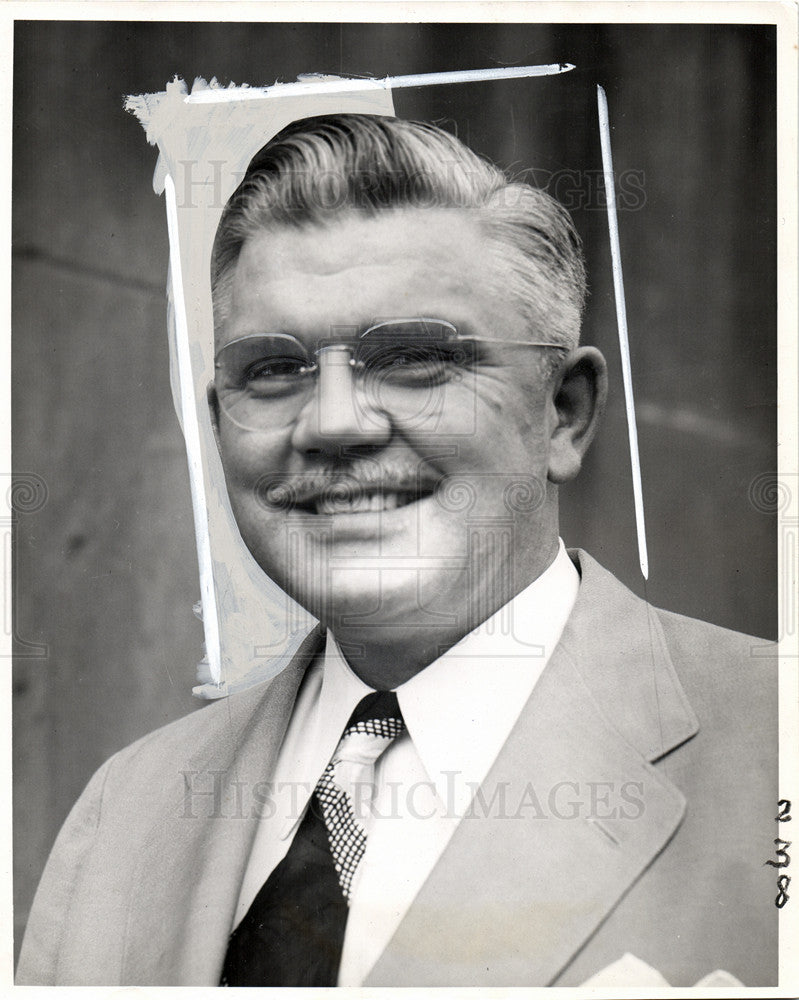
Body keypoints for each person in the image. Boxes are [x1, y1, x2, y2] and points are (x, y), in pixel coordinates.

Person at [17, 114, 777, 987]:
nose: (334, 422)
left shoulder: (772, 748)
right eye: (273, 369)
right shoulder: (125, 809)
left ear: (561, 413)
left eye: (414, 358)